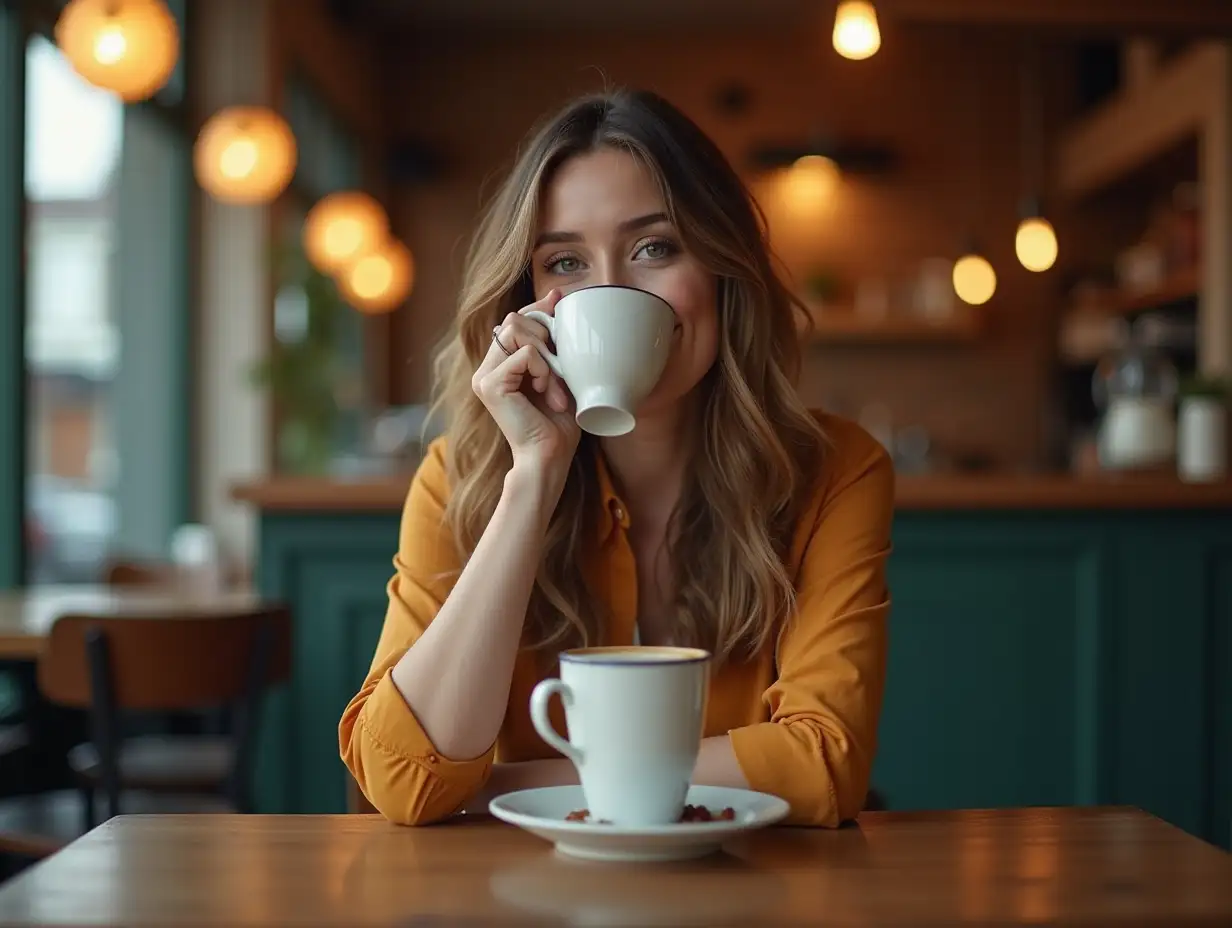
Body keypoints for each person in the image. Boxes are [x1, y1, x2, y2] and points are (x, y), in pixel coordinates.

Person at [338, 89, 893, 828]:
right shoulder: (461, 478)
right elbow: (403, 780)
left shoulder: (834, 471)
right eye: (566, 262)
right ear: (529, 304)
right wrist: (533, 476)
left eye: (654, 248)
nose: (609, 291)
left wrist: (500, 784)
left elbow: (824, 763)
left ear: (723, 268)